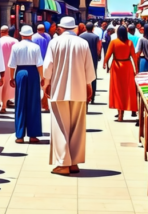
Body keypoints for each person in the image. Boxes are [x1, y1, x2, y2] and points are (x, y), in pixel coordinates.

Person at [43, 16, 95, 176]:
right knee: (78, 126)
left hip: (59, 89)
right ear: (74, 28)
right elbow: (89, 69)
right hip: (79, 89)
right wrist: (88, 86)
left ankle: (63, 163)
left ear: (60, 28)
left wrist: (46, 84)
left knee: (60, 126)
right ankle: (74, 162)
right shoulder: (82, 43)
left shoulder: (55, 42)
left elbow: (47, 68)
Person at [9, 25, 44, 144]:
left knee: (20, 103)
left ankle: (19, 136)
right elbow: (39, 64)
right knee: (34, 103)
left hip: (20, 72)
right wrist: (42, 77)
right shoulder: (36, 47)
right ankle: (33, 135)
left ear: (21, 34)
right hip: (33, 73)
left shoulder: (16, 46)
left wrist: (12, 77)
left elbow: (12, 64)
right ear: (31, 35)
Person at [103, 26, 137, 122]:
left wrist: (105, 63)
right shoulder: (129, 43)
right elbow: (134, 57)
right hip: (127, 66)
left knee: (117, 89)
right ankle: (128, 110)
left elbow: (108, 54)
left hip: (117, 66)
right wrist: (136, 69)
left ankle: (120, 115)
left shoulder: (114, 42)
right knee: (127, 89)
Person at [79, 22, 101, 105]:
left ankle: (83, 95)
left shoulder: (81, 36)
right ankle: (92, 97)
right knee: (93, 76)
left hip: (82, 58)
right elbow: (98, 48)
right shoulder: (96, 37)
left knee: (83, 76)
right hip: (93, 58)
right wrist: (98, 56)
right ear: (93, 28)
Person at [0, 25, 17, 114]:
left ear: (1, 32)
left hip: (0, 67)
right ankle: (4, 106)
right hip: (11, 67)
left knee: (0, 86)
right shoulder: (15, 41)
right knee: (8, 86)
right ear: (8, 31)